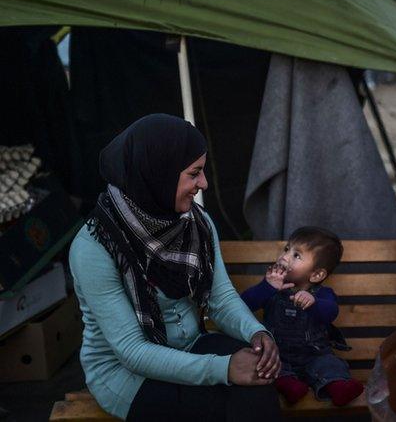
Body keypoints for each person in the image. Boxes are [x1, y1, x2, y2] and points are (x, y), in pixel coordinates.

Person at [68, 114, 281, 421]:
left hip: (190, 346)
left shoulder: (196, 223)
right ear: (159, 173)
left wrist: (257, 334)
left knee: (258, 381)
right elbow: (132, 351)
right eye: (194, 173)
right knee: (211, 406)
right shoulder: (96, 246)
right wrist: (224, 368)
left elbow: (220, 298)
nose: (203, 184)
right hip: (125, 373)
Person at [240, 227, 363, 406]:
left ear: (316, 274)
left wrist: (314, 302)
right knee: (265, 364)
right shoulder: (272, 289)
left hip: (315, 355)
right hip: (278, 354)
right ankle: (289, 385)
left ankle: (339, 387)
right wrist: (267, 287)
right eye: (286, 249)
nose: (285, 257)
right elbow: (244, 305)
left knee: (331, 364)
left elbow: (331, 312)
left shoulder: (323, 294)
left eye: (296, 255)